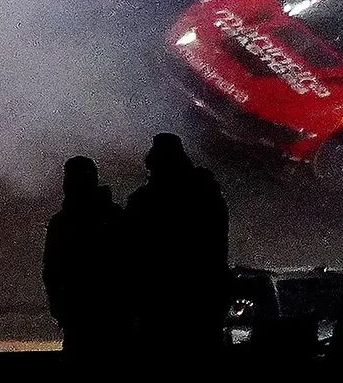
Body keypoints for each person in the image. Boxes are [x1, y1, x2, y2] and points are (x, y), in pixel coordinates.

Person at [123, 132, 230, 356]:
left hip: (158, 302)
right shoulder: (209, 195)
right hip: (203, 299)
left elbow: (131, 253)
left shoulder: (144, 202)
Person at [43, 156, 127, 356]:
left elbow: (51, 270)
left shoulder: (62, 222)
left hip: (88, 316)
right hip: (103, 316)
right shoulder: (115, 216)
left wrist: (61, 307)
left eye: (70, 178)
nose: (66, 183)